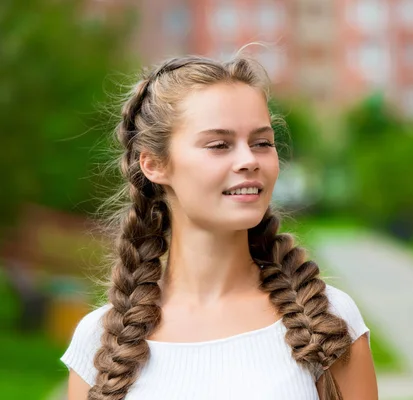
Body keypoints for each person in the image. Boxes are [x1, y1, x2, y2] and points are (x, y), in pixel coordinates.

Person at [60, 53, 378, 400]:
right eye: (219, 145)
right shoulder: (100, 342)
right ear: (154, 164)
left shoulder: (325, 320)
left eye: (262, 143)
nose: (249, 161)